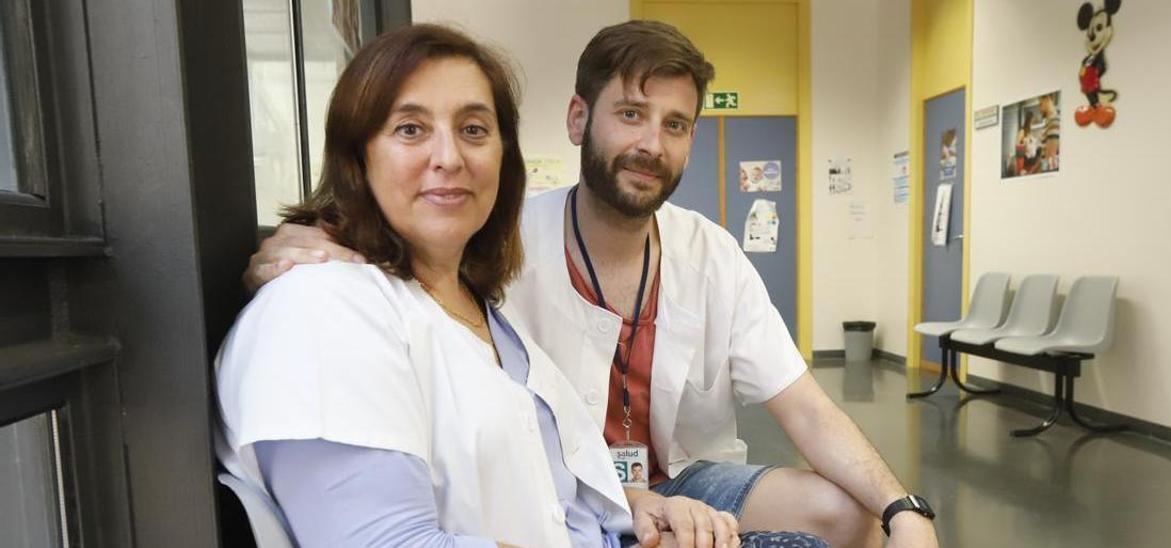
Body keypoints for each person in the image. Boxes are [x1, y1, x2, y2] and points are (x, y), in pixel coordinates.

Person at [246, 20, 939, 548]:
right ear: (580, 118)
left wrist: (902, 507)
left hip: (674, 480)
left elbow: (808, 409)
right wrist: (310, 241)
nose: (652, 145)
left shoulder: (711, 254)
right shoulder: (498, 238)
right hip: (572, 485)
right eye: (631, 115)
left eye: (676, 125)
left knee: (848, 512)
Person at [217, 24, 639, 547]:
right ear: (357, 156)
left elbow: (544, 486)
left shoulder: (476, 307)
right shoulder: (319, 308)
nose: (449, 157)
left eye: (474, 130)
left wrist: (645, 512)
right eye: (411, 129)